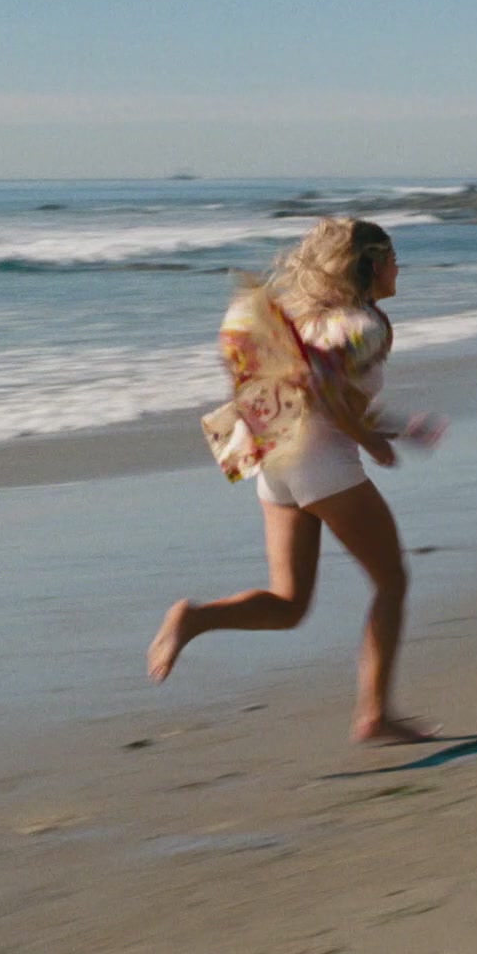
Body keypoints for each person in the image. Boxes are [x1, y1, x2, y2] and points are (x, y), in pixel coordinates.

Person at [148, 217, 442, 744]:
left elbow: (323, 391)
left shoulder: (308, 322)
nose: (400, 268)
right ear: (372, 265)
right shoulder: (368, 325)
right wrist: (372, 440)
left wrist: (399, 425)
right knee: (391, 581)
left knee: (289, 604)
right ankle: (375, 713)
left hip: (278, 464)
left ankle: (193, 618)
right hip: (323, 465)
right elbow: (327, 390)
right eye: (394, 258)